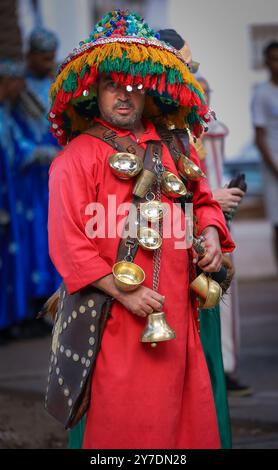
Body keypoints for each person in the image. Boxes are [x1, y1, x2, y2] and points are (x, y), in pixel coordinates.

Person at [47, 9, 235, 449]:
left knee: (185, 425)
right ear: (95, 91)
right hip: (115, 320)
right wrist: (122, 291)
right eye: (113, 85)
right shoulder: (76, 159)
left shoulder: (172, 145)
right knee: (124, 428)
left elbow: (203, 202)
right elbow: (68, 242)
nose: (125, 95)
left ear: (148, 88)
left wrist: (209, 235)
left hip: (178, 315)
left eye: (134, 85)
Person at [158, 28, 233, 448]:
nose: (184, 79)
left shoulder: (182, 129)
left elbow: (198, 194)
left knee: (201, 374)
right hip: (135, 282)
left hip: (192, 272)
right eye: (177, 70)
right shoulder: (108, 139)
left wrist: (211, 228)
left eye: (187, 70)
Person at [13, 27, 60, 323]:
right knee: (30, 237)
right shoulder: (17, 88)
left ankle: (52, 305)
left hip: (55, 175)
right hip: (27, 179)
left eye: (51, 58)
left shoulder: (59, 83)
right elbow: (11, 128)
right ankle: (29, 308)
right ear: (30, 56)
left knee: (55, 233)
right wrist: (33, 152)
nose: (47, 63)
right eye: (43, 58)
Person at [251, 41, 278, 270]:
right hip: (274, 168)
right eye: (273, 58)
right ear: (267, 62)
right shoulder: (262, 94)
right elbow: (259, 137)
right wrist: (275, 167)